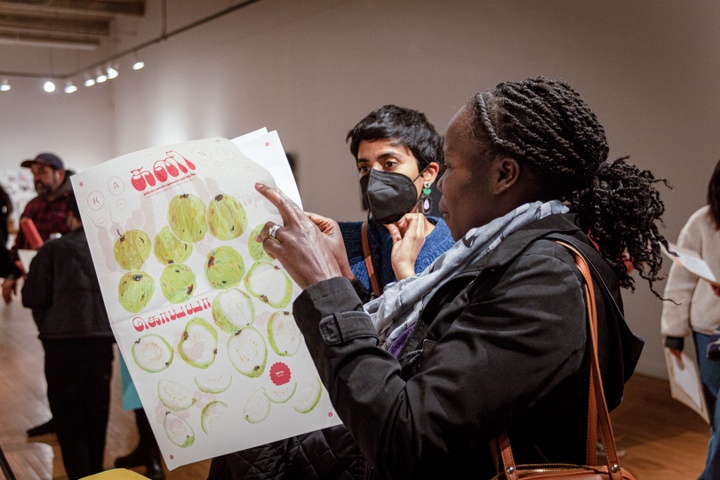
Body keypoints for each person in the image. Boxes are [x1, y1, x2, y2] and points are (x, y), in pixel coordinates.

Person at [254, 77, 668, 479]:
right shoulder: (514, 254)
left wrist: (327, 289)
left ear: (504, 174)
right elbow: (428, 352)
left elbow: (404, 437)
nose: (440, 189)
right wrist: (343, 278)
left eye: (449, 167)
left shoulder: (547, 279)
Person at [206, 105, 455, 479]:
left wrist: (406, 277)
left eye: (389, 163)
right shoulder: (341, 237)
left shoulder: (454, 250)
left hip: (379, 430)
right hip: (311, 410)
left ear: (429, 173)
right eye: (363, 167)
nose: (374, 178)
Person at [21, 192, 114, 479]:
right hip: (100, 342)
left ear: (71, 216)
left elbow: (32, 296)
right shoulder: (108, 248)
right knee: (97, 416)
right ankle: (96, 472)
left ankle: (79, 474)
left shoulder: (52, 250)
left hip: (61, 345)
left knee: (68, 418)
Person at [5, 153, 72, 437]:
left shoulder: (74, 202)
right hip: (41, 292)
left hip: (70, 291)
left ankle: (74, 420)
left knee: (73, 357)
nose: (37, 178)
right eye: (34, 173)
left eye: (42, 172)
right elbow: (19, 245)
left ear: (59, 173)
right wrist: (11, 275)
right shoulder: (32, 206)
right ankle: (58, 416)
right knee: (52, 354)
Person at [661, 158, 720, 480]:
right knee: (717, 417)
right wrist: (673, 332)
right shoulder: (703, 222)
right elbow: (681, 279)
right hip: (708, 329)